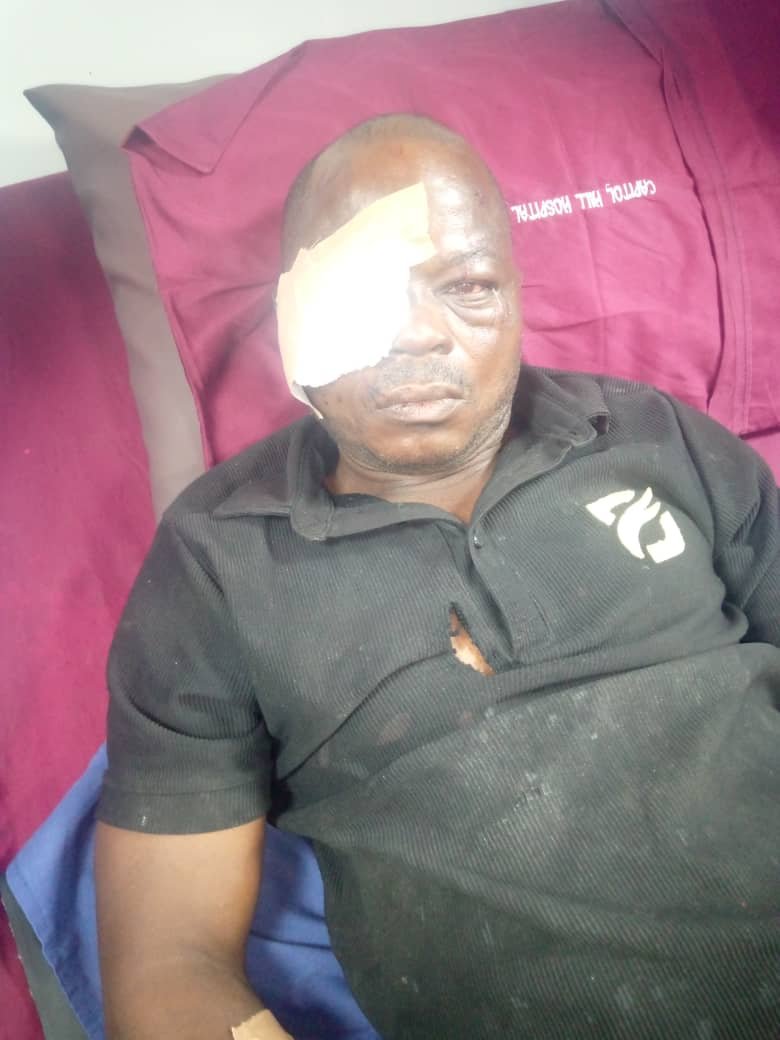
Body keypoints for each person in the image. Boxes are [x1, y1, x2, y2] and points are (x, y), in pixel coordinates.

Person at [94, 115, 780, 1040]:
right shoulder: (218, 557)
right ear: (288, 314)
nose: (417, 333)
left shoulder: (655, 434)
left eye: (467, 287)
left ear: (516, 298)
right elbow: (166, 963)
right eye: (364, 291)